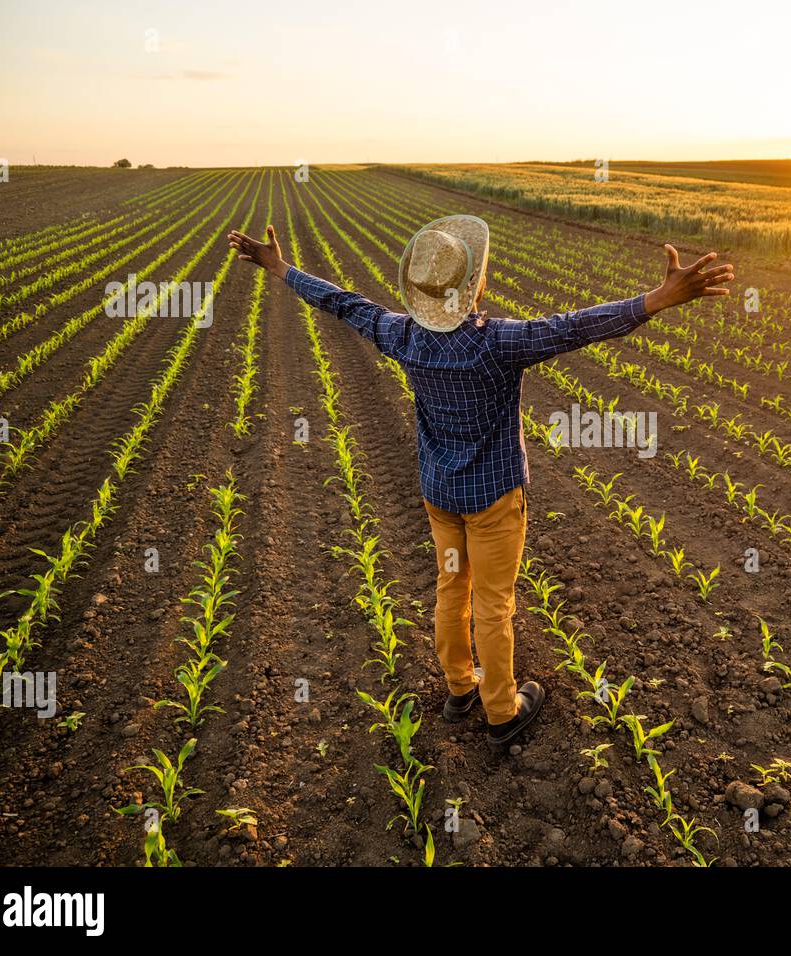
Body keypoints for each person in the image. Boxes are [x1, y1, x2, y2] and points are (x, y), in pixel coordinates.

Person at [228, 214, 734, 744]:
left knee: (452, 585)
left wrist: (281, 267)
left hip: (439, 496)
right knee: (494, 604)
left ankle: (459, 688)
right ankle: (501, 713)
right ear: (476, 286)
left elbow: (344, 303)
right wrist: (653, 300)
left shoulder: (399, 334)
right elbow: (572, 327)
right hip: (493, 501)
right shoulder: (497, 344)